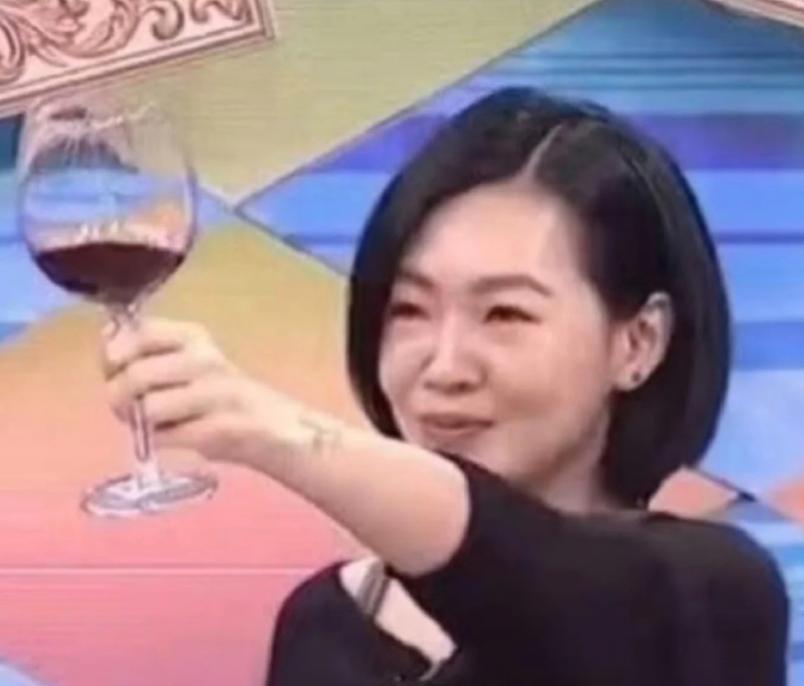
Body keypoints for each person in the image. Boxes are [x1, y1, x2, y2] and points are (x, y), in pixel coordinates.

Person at [102, 88, 789, 685]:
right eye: (409, 310)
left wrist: (275, 433)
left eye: (505, 314)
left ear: (638, 342)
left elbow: (525, 575)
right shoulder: (321, 622)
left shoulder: (708, 595)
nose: (444, 367)